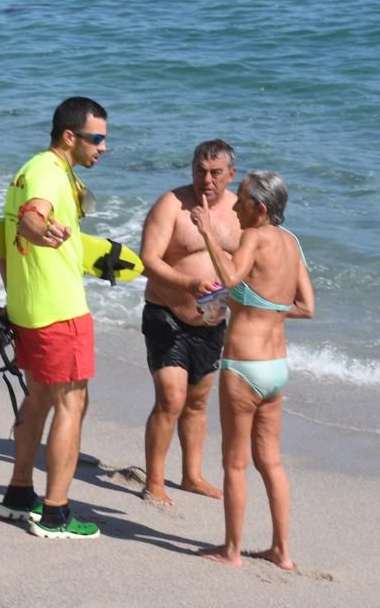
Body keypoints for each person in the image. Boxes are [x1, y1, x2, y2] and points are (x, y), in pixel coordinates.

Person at [0, 96, 107, 539]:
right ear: (69, 136)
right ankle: (56, 512)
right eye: (96, 139)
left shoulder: (28, 169)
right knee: (72, 404)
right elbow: (29, 221)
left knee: (39, 398)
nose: (102, 148)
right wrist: (44, 232)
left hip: (28, 306)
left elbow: (9, 237)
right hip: (59, 310)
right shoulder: (48, 174)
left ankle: (20, 495)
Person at [190, 171, 314, 570]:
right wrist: (260, 307)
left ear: (261, 208)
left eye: (241, 199)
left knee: (235, 462)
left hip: (244, 365)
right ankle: (282, 551)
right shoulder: (292, 242)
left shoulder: (254, 237)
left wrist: (207, 232)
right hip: (277, 367)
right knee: (271, 462)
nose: (234, 205)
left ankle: (231, 551)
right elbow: (307, 307)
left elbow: (230, 277)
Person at [139, 139, 242, 506]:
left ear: (231, 174)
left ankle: (191, 476)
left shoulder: (239, 212)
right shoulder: (172, 204)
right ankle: (154, 482)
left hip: (212, 321)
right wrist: (189, 284)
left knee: (197, 402)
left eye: (216, 173)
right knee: (171, 398)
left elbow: (249, 268)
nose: (207, 179)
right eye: (200, 170)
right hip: (166, 313)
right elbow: (148, 260)